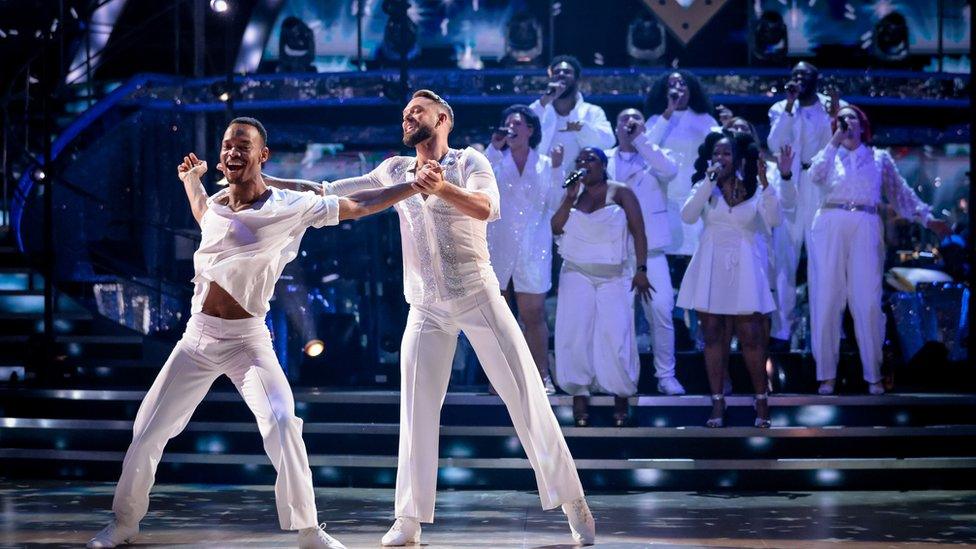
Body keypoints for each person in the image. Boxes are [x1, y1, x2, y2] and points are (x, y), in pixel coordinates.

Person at [264, 90, 595, 547]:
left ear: (443, 118)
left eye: (416, 111)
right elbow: (334, 191)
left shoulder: (469, 161)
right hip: (425, 307)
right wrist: (272, 185)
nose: (407, 118)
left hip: (478, 297)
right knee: (416, 411)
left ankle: (571, 498)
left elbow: (487, 208)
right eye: (405, 113)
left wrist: (442, 188)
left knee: (526, 397)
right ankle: (409, 518)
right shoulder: (396, 170)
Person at [87, 117, 421, 549]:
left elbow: (359, 204)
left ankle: (308, 530)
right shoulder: (218, 204)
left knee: (283, 422)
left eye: (243, 146)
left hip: (247, 341)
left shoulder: (289, 205)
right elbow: (202, 211)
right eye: (227, 145)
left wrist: (413, 188)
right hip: (197, 340)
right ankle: (124, 521)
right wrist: (191, 179)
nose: (232, 152)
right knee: (148, 427)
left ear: (262, 155)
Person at [807, 105, 950, 395]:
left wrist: (926, 217)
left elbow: (900, 193)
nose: (846, 122)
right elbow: (815, 176)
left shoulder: (879, 158)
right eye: (841, 118)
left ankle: (873, 375)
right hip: (830, 221)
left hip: (866, 221)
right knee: (827, 299)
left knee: (867, 301)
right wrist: (833, 141)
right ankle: (826, 376)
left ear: (862, 125)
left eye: (852, 118)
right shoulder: (829, 154)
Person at [677, 131, 781, 428]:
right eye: (716, 153)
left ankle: (761, 402)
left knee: (751, 336)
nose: (720, 158)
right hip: (710, 264)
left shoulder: (754, 188)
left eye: (726, 153)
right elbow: (687, 215)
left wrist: (765, 183)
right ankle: (718, 403)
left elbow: (774, 220)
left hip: (745, 265)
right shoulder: (705, 186)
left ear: (736, 157)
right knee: (713, 336)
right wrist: (709, 181)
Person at [551, 147, 651, 427]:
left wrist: (641, 269)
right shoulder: (574, 195)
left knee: (616, 334)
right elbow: (556, 228)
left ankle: (620, 393)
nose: (584, 164)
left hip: (614, 275)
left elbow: (639, 231)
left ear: (603, 164)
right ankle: (579, 393)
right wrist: (568, 199)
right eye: (580, 160)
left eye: (590, 160)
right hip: (576, 273)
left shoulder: (620, 192)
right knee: (575, 333)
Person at [485, 104, 564, 394]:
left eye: (517, 123)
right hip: (499, 246)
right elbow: (476, 184)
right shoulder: (494, 160)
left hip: (533, 247)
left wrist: (557, 170)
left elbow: (555, 202)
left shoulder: (545, 164)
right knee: (500, 318)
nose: (511, 128)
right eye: (507, 123)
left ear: (530, 130)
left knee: (534, 314)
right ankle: (501, 379)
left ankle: (541, 375)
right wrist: (493, 148)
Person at [765, 61, 843, 348]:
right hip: (790, 186)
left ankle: (822, 333)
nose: (799, 79)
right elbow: (774, 143)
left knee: (822, 263)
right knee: (785, 262)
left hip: (820, 187)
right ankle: (782, 332)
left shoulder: (832, 106)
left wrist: (834, 113)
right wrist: (789, 106)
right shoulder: (781, 108)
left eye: (805, 75)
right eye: (795, 75)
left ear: (816, 80)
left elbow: (838, 143)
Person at [607, 108, 684, 395]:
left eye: (636, 119)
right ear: (615, 127)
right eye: (624, 119)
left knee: (662, 310)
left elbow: (671, 171)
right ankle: (624, 378)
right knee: (621, 318)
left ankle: (666, 375)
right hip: (617, 253)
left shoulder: (655, 157)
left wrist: (641, 141)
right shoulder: (605, 159)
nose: (629, 123)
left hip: (652, 253)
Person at [727, 117, 797, 356]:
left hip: (759, 243)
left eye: (743, 128)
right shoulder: (719, 173)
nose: (738, 132)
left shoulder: (770, 170)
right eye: (733, 129)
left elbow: (786, 204)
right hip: (725, 246)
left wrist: (785, 175)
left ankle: (762, 357)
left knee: (760, 304)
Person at [644, 69, 718, 259]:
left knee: (695, 250)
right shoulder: (656, 120)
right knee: (664, 250)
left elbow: (719, 150)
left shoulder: (704, 120)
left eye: (682, 84)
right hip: (663, 195)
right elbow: (646, 148)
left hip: (693, 193)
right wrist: (668, 112)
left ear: (691, 89)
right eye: (672, 84)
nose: (678, 88)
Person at [530, 54, 615, 174]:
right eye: (556, 72)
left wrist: (582, 128)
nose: (561, 74)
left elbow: (608, 142)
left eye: (567, 72)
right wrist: (545, 99)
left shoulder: (592, 112)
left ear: (577, 79)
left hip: (580, 186)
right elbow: (522, 128)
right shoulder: (541, 108)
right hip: (544, 185)